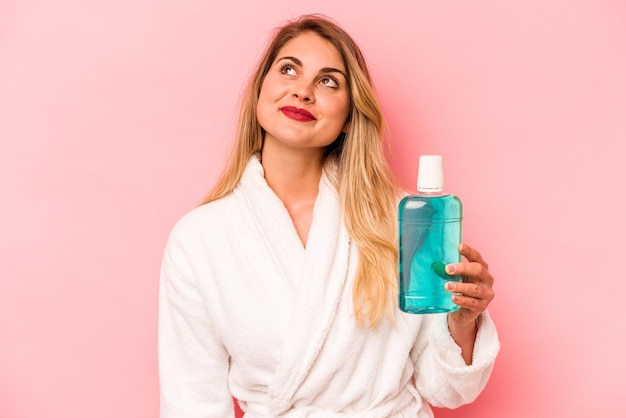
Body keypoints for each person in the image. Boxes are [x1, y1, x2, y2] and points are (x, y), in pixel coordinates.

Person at [158, 13, 499, 418]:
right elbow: (191, 404)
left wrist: (463, 321)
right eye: (288, 70)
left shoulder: (404, 219)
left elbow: (444, 388)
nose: (302, 91)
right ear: (260, 91)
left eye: (327, 81)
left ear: (350, 117)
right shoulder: (200, 239)